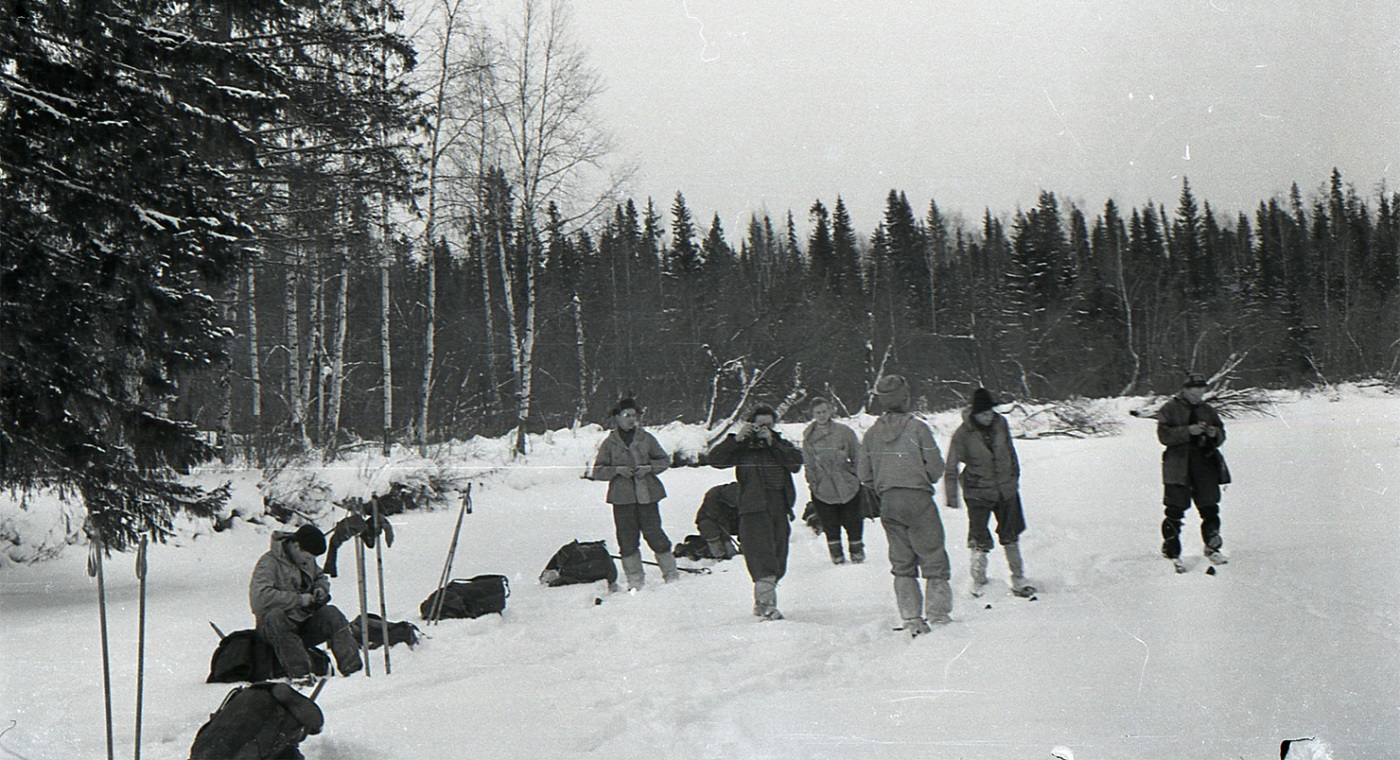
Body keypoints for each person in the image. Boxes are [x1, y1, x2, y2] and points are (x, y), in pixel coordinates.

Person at [858, 375, 951, 637]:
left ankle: (911, 617)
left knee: (901, 562)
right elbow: (936, 467)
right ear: (904, 397)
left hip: (889, 502)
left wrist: (883, 484)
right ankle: (939, 615)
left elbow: (864, 473)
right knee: (933, 557)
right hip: (919, 499)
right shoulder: (918, 428)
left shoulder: (872, 434)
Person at [707, 405, 804, 620]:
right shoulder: (742, 447)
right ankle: (767, 605)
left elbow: (796, 463)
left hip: (779, 505)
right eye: (760, 424)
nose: (764, 429)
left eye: (769, 425)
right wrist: (736, 440)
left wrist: (773, 442)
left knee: (779, 556)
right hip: (753, 506)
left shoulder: (779, 444)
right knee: (761, 557)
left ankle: (762, 603)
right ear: (751, 424)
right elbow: (714, 459)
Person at [943, 388, 1033, 596]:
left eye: (990, 412)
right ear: (974, 414)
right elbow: (951, 466)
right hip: (978, 492)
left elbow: (1010, 451)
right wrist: (952, 497)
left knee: (1011, 534)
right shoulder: (962, 434)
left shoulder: (1001, 424)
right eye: (983, 413)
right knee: (979, 537)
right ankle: (979, 581)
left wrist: (1014, 477)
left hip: (1005, 489)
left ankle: (1019, 577)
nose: (988, 416)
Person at [249, 524, 363, 679]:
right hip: (274, 628)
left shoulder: (305, 560)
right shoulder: (268, 563)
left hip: (303, 623)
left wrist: (320, 589)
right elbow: (259, 598)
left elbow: (320, 577)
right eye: (308, 557)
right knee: (274, 616)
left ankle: (354, 671)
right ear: (296, 546)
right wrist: (299, 600)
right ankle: (301, 675)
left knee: (332, 613)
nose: (310, 561)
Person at [588, 397, 679, 589]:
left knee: (655, 535)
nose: (631, 419)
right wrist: (617, 470)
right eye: (626, 415)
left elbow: (664, 460)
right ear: (617, 418)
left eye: (634, 416)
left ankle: (671, 574)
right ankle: (635, 581)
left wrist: (648, 468)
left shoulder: (646, 438)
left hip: (647, 495)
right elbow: (597, 471)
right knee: (627, 539)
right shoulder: (609, 443)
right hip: (622, 499)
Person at [1157, 373, 1230, 570]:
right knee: (1175, 508)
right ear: (1185, 390)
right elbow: (1163, 436)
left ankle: (1212, 547)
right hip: (1177, 465)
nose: (1199, 392)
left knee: (1209, 507)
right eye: (1194, 388)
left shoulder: (1208, 410)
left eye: (1202, 388)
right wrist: (1188, 431)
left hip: (1205, 465)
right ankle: (1171, 549)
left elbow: (1221, 434)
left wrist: (1215, 434)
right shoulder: (1169, 409)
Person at [801, 397, 865, 564]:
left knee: (853, 518)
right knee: (829, 521)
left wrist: (856, 476)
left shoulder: (844, 432)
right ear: (813, 414)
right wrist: (813, 482)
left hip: (846, 482)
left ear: (830, 411)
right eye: (817, 413)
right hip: (823, 485)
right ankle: (836, 554)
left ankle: (857, 551)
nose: (821, 415)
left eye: (824, 411)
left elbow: (858, 455)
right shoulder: (809, 436)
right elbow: (808, 462)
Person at [695, 481, 741, 559]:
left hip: (734, 521)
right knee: (708, 526)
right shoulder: (713, 498)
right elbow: (721, 522)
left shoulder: (745, 494)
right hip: (713, 523)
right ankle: (718, 554)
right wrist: (727, 543)